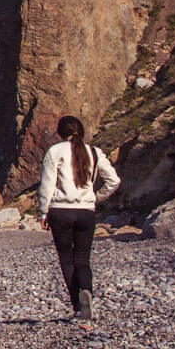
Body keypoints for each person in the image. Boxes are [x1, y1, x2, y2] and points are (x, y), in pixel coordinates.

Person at [37, 115, 120, 327]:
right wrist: (96, 198)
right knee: (83, 259)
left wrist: (43, 212)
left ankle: (78, 306)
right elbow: (114, 181)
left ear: (60, 132)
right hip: (86, 212)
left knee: (67, 260)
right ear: (81, 131)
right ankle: (87, 296)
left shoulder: (55, 152)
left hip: (61, 212)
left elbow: (47, 184)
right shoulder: (94, 152)